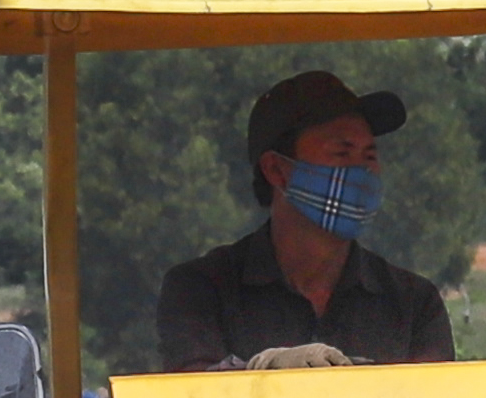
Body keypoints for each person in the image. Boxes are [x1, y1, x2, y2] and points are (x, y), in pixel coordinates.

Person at [155, 68, 454, 368]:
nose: (363, 174)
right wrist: (267, 371)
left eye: (369, 156)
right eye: (341, 153)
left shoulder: (414, 303)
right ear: (277, 171)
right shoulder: (201, 290)